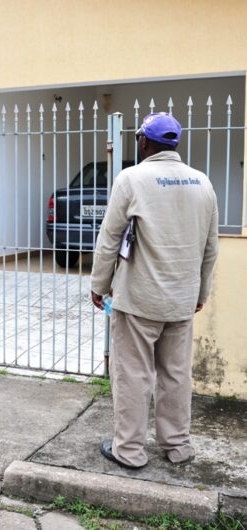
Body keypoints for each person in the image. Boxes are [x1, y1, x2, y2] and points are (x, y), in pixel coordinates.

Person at [90, 112, 219, 469]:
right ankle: (177, 446)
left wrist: (99, 284)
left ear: (145, 142)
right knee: (177, 373)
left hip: (139, 301)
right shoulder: (202, 182)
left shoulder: (132, 179)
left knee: (133, 373)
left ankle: (129, 451)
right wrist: (200, 293)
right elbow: (211, 248)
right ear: (174, 144)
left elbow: (109, 239)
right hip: (181, 300)